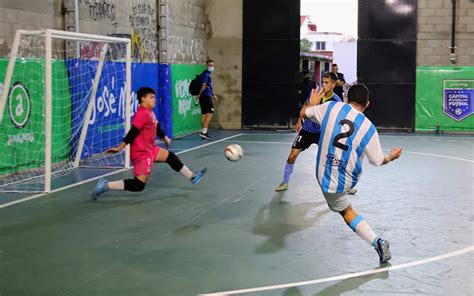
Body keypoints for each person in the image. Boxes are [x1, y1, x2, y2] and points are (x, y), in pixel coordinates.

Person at [300, 84, 403, 263]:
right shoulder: (369, 128)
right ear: (367, 104)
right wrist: (392, 157)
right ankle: (375, 238)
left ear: (346, 98)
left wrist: (311, 102)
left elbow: (304, 114)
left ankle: (377, 241)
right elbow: (378, 161)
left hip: (326, 178)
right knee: (347, 197)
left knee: (346, 212)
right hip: (348, 179)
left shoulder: (331, 107)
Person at [91, 87, 207, 199]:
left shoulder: (150, 112)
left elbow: (155, 126)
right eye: (151, 97)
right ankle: (106, 185)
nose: (154, 99)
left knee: (170, 157)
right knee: (139, 185)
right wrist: (120, 147)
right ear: (143, 99)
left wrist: (165, 137)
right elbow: (133, 132)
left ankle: (192, 176)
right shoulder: (142, 114)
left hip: (150, 149)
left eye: (154, 97)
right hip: (141, 153)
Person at [276, 72, 346, 192]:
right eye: (322, 82)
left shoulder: (336, 101)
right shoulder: (315, 93)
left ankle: (344, 185)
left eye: (326, 83)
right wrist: (299, 120)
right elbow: (306, 105)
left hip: (323, 133)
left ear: (333, 85)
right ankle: (285, 182)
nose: (323, 85)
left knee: (334, 160)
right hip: (307, 129)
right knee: (292, 156)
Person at [198, 59, 218, 140]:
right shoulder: (206, 75)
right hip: (206, 97)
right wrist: (199, 94)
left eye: (212, 65)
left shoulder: (205, 74)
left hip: (205, 96)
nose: (211, 67)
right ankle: (203, 132)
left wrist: (212, 94)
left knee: (204, 114)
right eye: (210, 65)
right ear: (206, 66)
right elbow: (204, 85)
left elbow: (208, 86)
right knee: (210, 113)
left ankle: (204, 132)